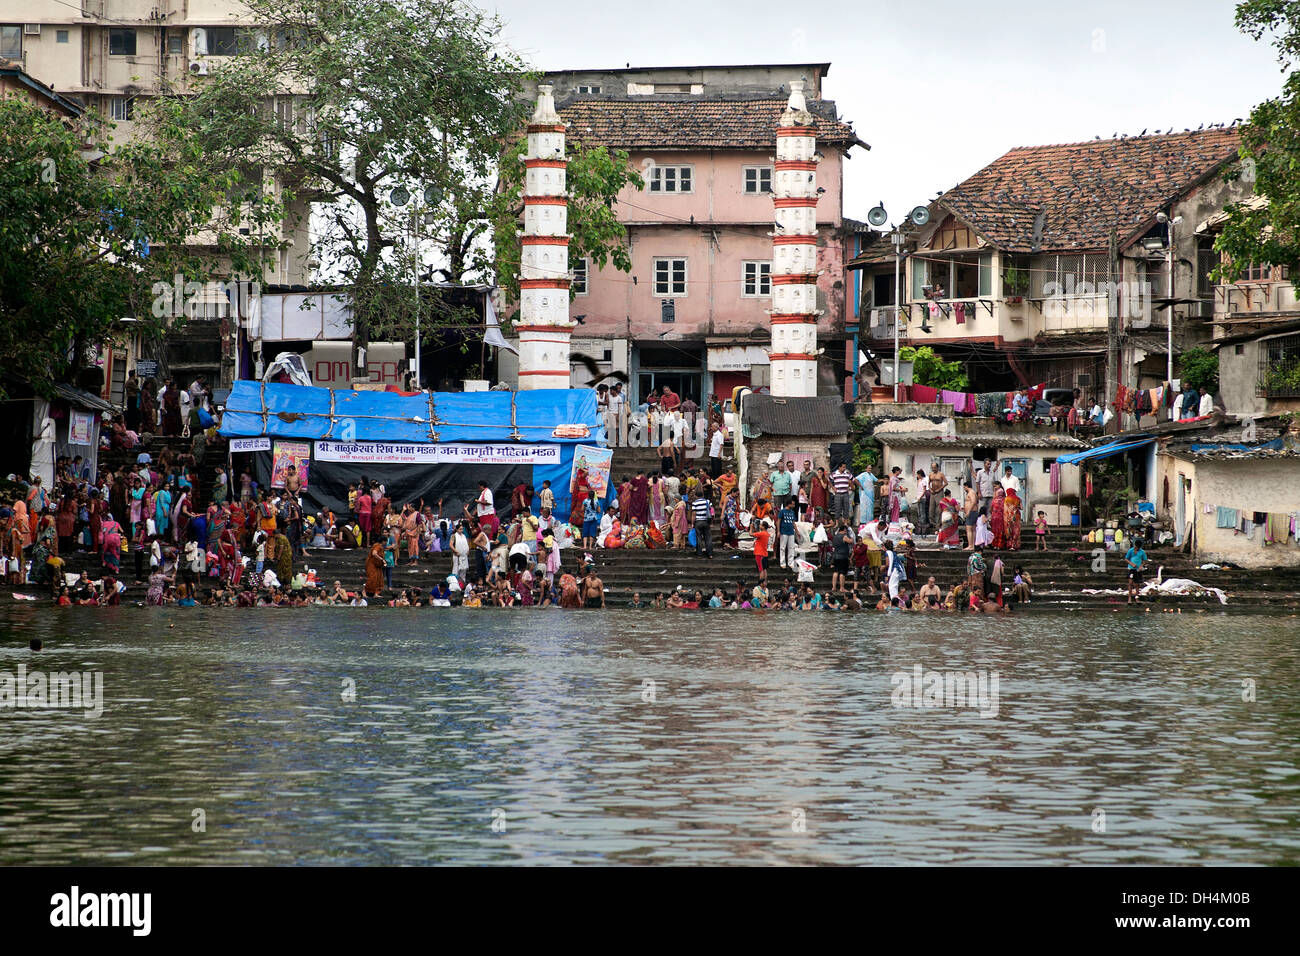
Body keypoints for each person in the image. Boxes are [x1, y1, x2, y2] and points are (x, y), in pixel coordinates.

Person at [1125, 537, 1148, 605]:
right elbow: (1126, 559)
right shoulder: (1131, 550)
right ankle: (1129, 598)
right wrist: (1131, 563)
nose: (1137, 549)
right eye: (1136, 547)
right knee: (1130, 583)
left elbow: (1145, 560)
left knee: (1137, 584)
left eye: (1138, 548)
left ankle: (1137, 598)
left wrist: (1141, 565)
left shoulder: (1142, 552)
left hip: (1138, 570)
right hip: (1131, 569)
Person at [831, 521, 852, 592]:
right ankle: (842, 587)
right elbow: (851, 541)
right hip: (843, 556)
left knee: (835, 571)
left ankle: (833, 587)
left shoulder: (835, 537)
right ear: (844, 530)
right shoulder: (844, 536)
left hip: (836, 556)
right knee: (842, 573)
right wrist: (849, 535)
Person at [690, 492, 712, 558]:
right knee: (708, 538)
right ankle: (710, 554)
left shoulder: (694, 503)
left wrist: (692, 523)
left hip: (698, 522)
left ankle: (699, 554)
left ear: (696, 496)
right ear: (702, 495)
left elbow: (693, 514)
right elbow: (711, 511)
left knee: (699, 538)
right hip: (706, 521)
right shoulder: (707, 501)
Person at [777, 499, 798, 570]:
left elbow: (793, 522)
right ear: (788, 504)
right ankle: (782, 563)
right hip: (783, 531)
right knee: (782, 547)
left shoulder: (792, 512)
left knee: (791, 547)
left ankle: (790, 563)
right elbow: (778, 521)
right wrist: (778, 531)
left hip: (791, 532)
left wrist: (797, 531)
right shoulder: (782, 511)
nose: (793, 505)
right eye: (792, 504)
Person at [752, 518, 771, 585]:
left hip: (759, 553)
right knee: (765, 569)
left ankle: (761, 583)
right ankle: (765, 582)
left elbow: (751, 534)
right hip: (764, 553)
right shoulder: (766, 534)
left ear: (763, 527)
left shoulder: (761, 533)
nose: (759, 526)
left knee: (761, 570)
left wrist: (751, 527)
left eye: (760, 525)